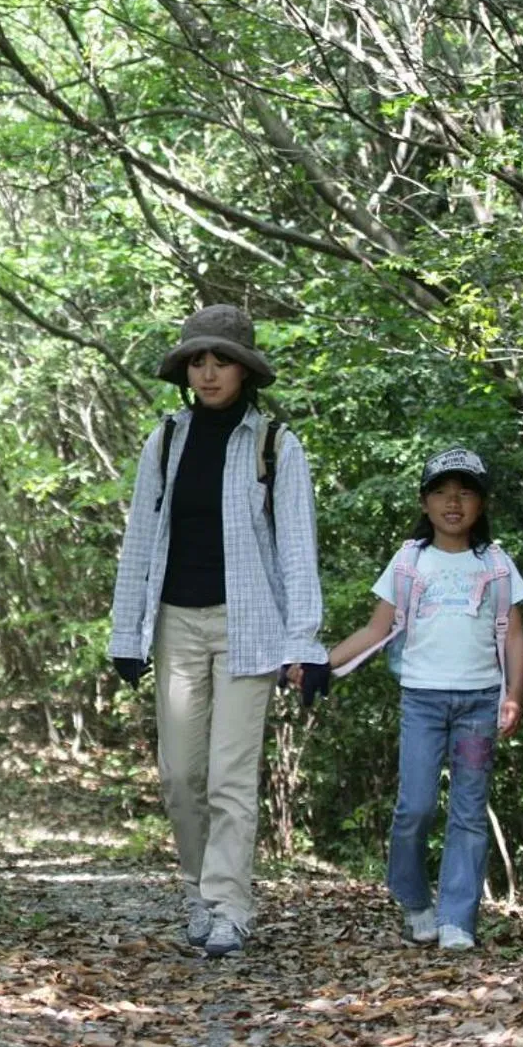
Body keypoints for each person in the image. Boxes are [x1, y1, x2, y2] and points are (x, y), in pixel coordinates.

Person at [109, 305, 326, 958]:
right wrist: (127, 633)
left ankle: (229, 905)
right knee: (179, 776)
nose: (207, 373)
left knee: (232, 776)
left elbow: (295, 547)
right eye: (197, 362)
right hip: (175, 622)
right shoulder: (167, 440)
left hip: (249, 628)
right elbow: (141, 539)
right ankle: (198, 891)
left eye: (220, 361)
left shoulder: (275, 445)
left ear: (244, 371)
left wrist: (304, 643)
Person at [319, 447, 523, 952]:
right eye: (441, 492)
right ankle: (414, 901)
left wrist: (514, 696)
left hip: (479, 703)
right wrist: (319, 664)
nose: (452, 503)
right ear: (425, 501)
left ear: (481, 503)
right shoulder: (410, 561)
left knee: (469, 811)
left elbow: (515, 637)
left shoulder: (497, 564)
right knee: (414, 806)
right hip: (423, 701)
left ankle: (458, 918)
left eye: (465, 493)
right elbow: (377, 628)